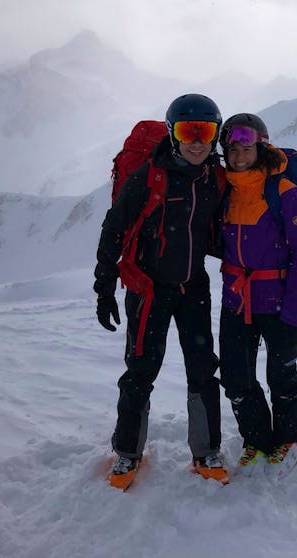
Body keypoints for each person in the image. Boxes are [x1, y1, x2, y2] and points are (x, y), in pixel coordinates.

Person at [94, 93, 229, 488]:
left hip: (192, 287)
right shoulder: (150, 176)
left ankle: (206, 451)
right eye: (189, 131)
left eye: (205, 131)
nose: (197, 141)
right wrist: (105, 289)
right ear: (173, 133)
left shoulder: (215, 179)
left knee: (203, 370)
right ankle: (127, 454)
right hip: (148, 289)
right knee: (140, 372)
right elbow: (113, 229)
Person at [216, 113, 297, 478]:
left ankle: (288, 439)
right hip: (237, 302)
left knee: (282, 375)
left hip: (278, 304)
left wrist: (294, 314)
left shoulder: (283, 191)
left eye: (246, 143)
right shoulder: (225, 189)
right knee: (236, 377)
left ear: (261, 144)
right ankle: (256, 440)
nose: (239, 151)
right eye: (231, 145)